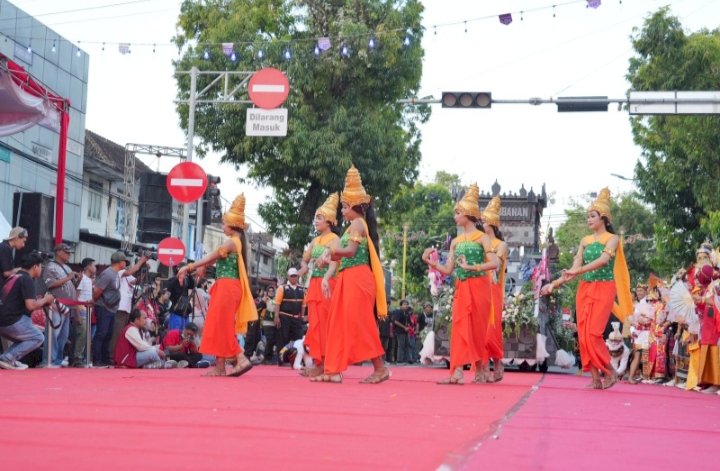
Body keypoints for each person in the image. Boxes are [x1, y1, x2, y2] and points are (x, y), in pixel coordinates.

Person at [541, 188, 633, 390]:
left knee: (594, 333)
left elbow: (603, 260)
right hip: (585, 289)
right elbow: (574, 269)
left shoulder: (613, 239)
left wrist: (579, 270)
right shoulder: (585, 241)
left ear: (604, 218)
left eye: (592, 216)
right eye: (588, 216)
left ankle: (609, 371)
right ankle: (594, 378)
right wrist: (553, 284)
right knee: (582, 334)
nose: (588, 220)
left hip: (604, 288)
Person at [312, 165, 389, 384]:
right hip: (348, 277)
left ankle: (380, 368)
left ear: (355, 206)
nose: (342, 211)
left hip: (358, 278)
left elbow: (351, 252)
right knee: (338, 323)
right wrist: (328, 257)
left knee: (360, 323)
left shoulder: (357, 223)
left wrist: (331, 251)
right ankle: (333, 369)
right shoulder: (349, 228)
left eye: (345, 207)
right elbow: (343, 255)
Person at [422, 183, 498, 385]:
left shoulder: (482, 238)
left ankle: (481, 369)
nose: (455, 216)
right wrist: (432, 263)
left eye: (458, 212)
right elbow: (448, 269)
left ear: (468, 213)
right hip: (462, 288)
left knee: (478, 330)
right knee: (459, 328)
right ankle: (456, 372)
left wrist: (472, 267)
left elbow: (495, 263)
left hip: (480, 288)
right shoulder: (455, 241)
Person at [176, 193, 257, 377]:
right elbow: (214, 259)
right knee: (220, 324)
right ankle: (220, 365)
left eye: (224, 223)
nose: (222, 226)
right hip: (226, 286)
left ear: (232, 225)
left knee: (223, 325)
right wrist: (203, 267)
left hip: (228, 287)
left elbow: (212, 256)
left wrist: (190, 266)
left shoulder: (232, 242)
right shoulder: (236, 242)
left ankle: (241, 358)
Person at [297, 192, 341, 377]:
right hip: (314, 285)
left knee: (325, 324)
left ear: (329, 220)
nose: (316, 221)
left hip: (327, 284)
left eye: (319, 218)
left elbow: (335, 262)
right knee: (314, 324)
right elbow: (305, 259)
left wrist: (325, 278)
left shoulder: (335, 240)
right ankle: (318, 361)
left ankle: (327, 363)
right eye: (316, 218)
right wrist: (303, 268)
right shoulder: (315, 241)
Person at [92, 251, 148, 367]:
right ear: (119, 262)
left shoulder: (117, 274)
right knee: (103, 334)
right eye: (124, 261)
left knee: (108, 334)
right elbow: (97, 291)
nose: (126, 264)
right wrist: (142, 260)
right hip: (107, 307)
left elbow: (134, 281)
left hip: (114, 307)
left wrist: (143, 271)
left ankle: (105, 359)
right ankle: (98, 359)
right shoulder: (110, 273)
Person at [0, 252, 54, 370]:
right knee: (38, 337)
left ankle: (7, 358)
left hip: (4, 320)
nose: (41, 269)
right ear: (35, 266)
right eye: (41, 266)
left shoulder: (14, 276)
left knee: (26, 336)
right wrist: (46, 299)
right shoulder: (27, 279)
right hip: (12, 320)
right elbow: (30, 306)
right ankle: (8, 358)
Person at [482, 196, 508, 382]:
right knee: (480, 330)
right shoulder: (479, 242)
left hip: (493, 290)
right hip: (479, 288)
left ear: (491, 224)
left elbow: (496, 264)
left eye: (483, 221)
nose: (481, 224)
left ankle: (497, 365)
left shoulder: (501, 245)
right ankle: (482, 369)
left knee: (492, 330)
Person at [42, 243, 80, 367]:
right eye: (66, 252)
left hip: (67, 307)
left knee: (63, 336)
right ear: (58, 252)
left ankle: (57, 360)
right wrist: (68, 278)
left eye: (69, 253)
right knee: (53, 334)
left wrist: (77, 279)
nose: (69, 255)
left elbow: (72, 285)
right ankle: (49, 360)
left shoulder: (67, 268)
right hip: (56, 305)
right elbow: (51, 285)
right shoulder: (50, 266)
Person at [114, 309, 183, 369]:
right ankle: (164, 364)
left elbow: (146, 345)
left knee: (158, 347)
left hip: (133, 356)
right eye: (144, 318)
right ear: (136, 319)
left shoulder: (138, 329)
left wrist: (157, 349)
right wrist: (157, 351)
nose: (146, 321)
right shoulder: (131, 329)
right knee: (153, 353)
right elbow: (141, 347)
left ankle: (150, 365)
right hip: (126, 360)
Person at [275, 268, 306, 364]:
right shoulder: (282, 288)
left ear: (297, 276)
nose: (293, 278)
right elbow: (277, 303)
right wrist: (276, 317)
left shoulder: (301, 289)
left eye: (295, 276)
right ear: (288, 276)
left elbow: (303, 304)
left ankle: (296, 360)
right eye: (292, 276)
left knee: (298, 339)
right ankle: (282, 360)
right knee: (283, 339)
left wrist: (302, 315)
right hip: (284, 317)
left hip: (296, 318)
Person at [73, 257, 95, 366]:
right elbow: (76, 296)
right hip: (81, 310)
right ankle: (77, 358)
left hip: (88, 310)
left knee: (86, 335)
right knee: (82, 334)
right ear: (87, 267)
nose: (95, 268)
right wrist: (77, 314)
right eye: (93, 265)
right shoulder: (82, 279)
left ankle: (81, 357)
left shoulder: (89, 279)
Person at [261, 286, 279, 363]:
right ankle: (266, 358)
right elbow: (259, 307)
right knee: (269, 340)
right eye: (269, 291)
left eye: (272, 291)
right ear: (267, 292)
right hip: (267, 322)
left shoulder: (276, 299)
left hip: (274, 323)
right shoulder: (265, 299)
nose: (271, 292)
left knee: (273, 340)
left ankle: (270, 358)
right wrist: (263, 300)